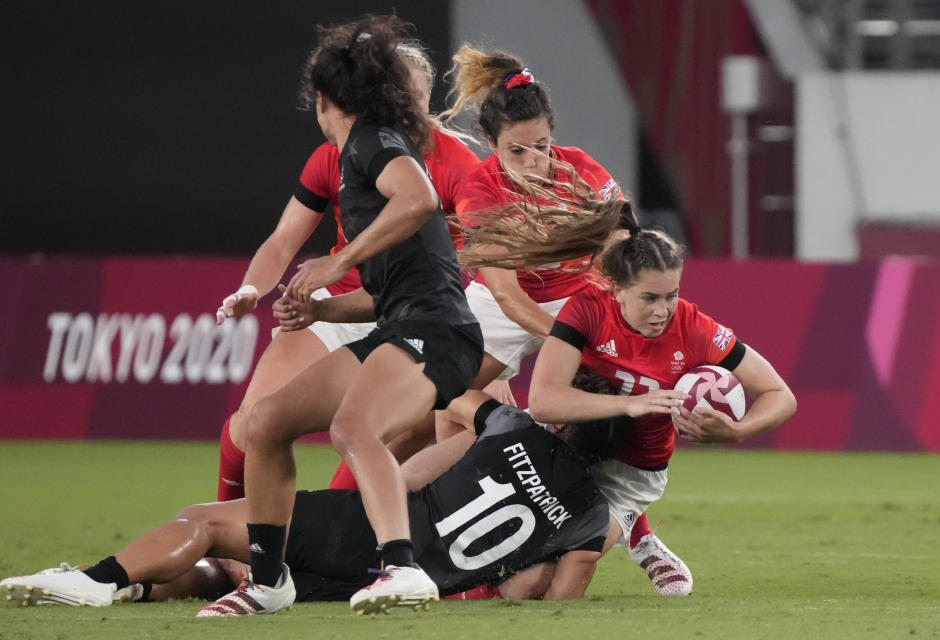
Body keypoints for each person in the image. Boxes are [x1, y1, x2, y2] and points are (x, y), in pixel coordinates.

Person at [210, 15, 484, 615]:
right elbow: (392, 285)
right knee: (267, 422)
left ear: (322, 97)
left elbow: (421, 200)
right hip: (401, 322)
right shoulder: (353, 153)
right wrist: (322, 308)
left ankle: (403, 567)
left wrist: (338, 263)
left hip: (436, 332)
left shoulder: (373, 142)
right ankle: (267, 580)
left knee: (351, 430)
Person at [0, 369, 629, 615]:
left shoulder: (513, 426)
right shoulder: (596, 522)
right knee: (229, 571)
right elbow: (554, 600)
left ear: (565, 413)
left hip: (375, 532)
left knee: (207, 522)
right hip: (406, 584)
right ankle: (140, 584)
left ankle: (99, 580)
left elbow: (445, 385)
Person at [437, 45, 691, 596]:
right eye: (517, 151)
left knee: (617, 403)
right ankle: (457, 552)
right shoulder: (480, 191)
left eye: (541, 146)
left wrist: (602, 321)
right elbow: (504, 292)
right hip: (504, 301)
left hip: (579, 292)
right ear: (490, 145)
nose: (533, 162)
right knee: (440, 397)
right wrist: (565, 343)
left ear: (555, 134)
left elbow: (624, 242)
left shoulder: (581, 170)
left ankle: (640, 532)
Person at [461, 193, 797, 594]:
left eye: (671, 295)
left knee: (551, 580)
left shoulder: (694, 328)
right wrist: (630, 404)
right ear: (617, 289)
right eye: (650, 298)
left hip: (629, 474)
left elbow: (779, 393)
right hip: (568, 448)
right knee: (453, 406)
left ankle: (639, 536)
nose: (663, 310)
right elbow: (545, 400)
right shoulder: (587, 309)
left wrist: (739, 431)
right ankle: (408, 548)